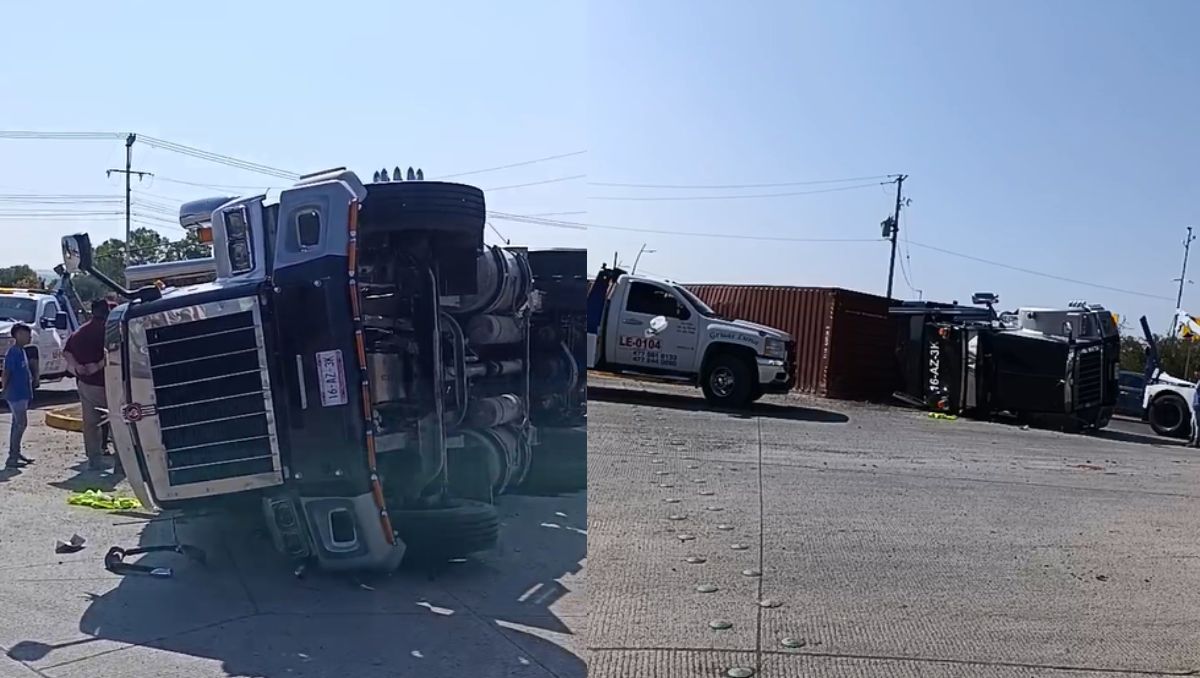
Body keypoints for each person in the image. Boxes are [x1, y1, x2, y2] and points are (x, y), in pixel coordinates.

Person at [64, 300, 117, 473]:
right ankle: (121, 463)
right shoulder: (110, 331)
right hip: (110, 383)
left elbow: (67, 351)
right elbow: (115, 353)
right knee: (117, 422)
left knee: (90, 424)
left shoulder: (80, 332)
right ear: (107, 311)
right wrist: (98, 365)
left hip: (85, 384)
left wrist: (77, 366)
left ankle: (94, 460)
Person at [2, 324, 35, 470]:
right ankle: (12, 456)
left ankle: (15, 453)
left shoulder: (22, 351)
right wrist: (4, 388)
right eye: (27, 334)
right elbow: (7, 372)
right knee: (20, 423)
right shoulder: (13, 352)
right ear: (19, 335)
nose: (30, 337)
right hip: (15, 394)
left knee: (18, 424)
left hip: (22, 393)